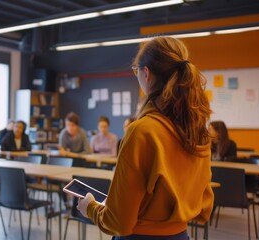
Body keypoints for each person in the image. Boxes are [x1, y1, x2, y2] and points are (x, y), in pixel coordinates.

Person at [77, 36, 214, 240]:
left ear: (146, 73)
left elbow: (119, 222)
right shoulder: (198, 131)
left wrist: (90, 207)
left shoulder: (141, 131)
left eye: (136, 71)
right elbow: (204, 207)